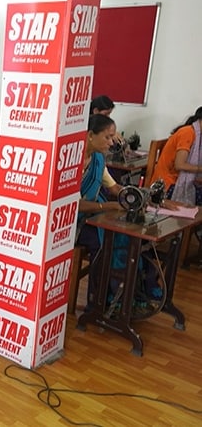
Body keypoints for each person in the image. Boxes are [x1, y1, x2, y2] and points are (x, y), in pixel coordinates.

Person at [76, 114, 127, 306]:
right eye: (107, 137)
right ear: (90, 135)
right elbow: (71, 204)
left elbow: (113, 187)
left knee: (120, 234)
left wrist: (133, 196)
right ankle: (97, 302)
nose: (112, 142)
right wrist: (107, 206)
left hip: (88, 216)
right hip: (68, 224)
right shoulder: (71, 160)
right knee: (102, 241)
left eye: (113, 137)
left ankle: (117, 296)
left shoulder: (97, 159)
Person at [150, 106, 202, 205]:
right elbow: (180, 165)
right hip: (166, 185)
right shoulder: (188, 133)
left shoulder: (198, 136)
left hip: (179, 180)